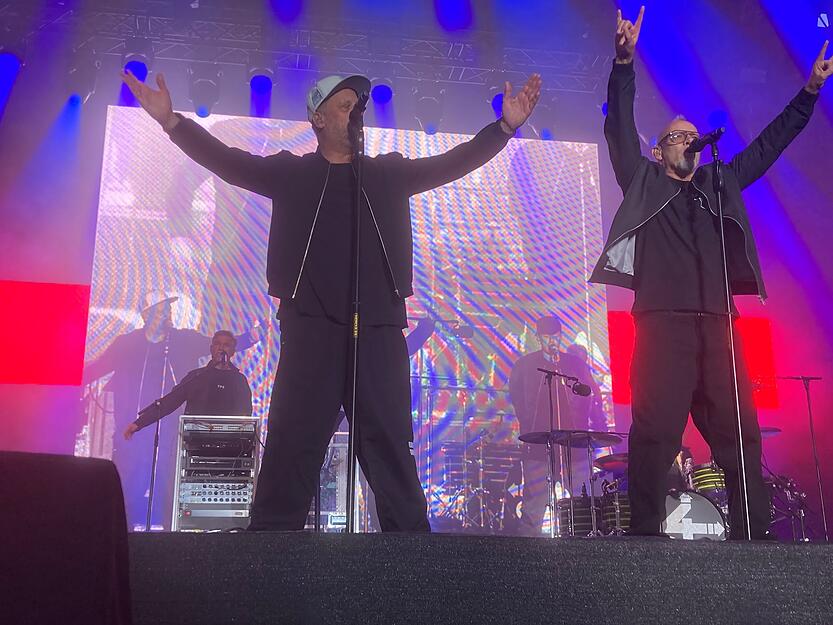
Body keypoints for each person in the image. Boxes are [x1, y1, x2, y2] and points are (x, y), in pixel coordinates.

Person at [121, 68, 542, 531]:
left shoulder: (388, 174)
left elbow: (452, 162)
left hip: (378, 331)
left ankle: (416, 572)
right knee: (291, 446)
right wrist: (172, 122)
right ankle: (268, 567)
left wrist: (502, 129)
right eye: (344, 106)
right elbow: (228, 161)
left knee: (387, 448)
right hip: (310, 330)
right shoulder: (292, 174)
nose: (354, 114)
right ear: (318, 119)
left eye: (358, 108)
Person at [590, 7, 832, 538]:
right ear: (660, 150)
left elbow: (769, 147)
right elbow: (619, 129)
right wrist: (624, 64)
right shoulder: (644, 180)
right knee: (654, 434)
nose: (688, 140)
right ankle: (645, 539)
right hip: (661, 327)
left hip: (719, 328)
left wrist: (809, 93)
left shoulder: (717, 184)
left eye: (693, 135)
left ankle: (754, 539)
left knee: (741, 436)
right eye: (678, 136)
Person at [83, 294, 258, 529]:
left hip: (176, 438)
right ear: (146, 315)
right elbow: (97, 369)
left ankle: (170, 535)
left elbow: (223, 349)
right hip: (139, 434)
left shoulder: (185, 342)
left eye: (169, 310)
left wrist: (253, 336)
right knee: (130, 487)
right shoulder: (129, 344)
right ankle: (125, 536)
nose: (167, 315)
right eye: (161, 310)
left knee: (169, 488)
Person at [508, 315, 603, 535]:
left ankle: (589, 546)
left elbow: (590, 394)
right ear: (538, 338)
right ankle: (527, 553)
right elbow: (517, 399)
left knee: (584, 501)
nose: (552, 341)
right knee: (535, 504)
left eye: (556, 336)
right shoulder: (525, 365)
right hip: (539, 445)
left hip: (573, 444)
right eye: (547, 337)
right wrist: (528, 427)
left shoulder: (574, 364)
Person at [123, 330, 253, 440]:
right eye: (217, 344)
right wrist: (139, 423)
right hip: (196, 440)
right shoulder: (196, 376)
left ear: (232, 352)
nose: (221, 348)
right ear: (211, 348)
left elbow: (245, 414)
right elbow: (170, 401)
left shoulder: (239, 380)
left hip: (228, 444)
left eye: (226, 345)